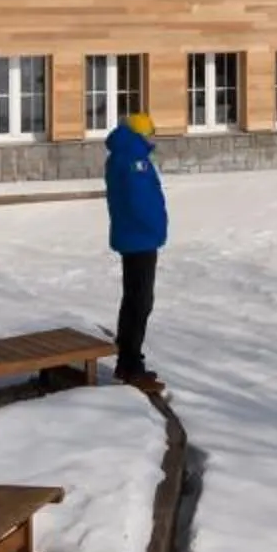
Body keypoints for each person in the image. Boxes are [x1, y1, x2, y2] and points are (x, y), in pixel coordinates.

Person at [103, 109, 168, 387]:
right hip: (140, 237)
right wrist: (156, 227)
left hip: (133, 236)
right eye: (150, 134)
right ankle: (130, 363)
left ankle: (128, 359)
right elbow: (140, 201)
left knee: (134, 299)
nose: (152, 139)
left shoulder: (123, 154)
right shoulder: (134, 159)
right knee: (140, 302)